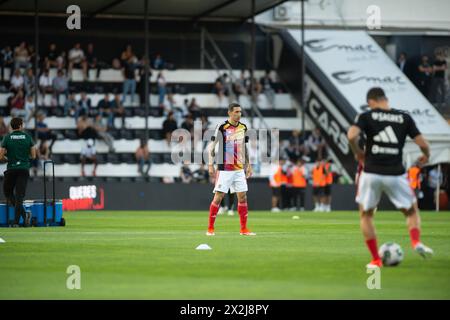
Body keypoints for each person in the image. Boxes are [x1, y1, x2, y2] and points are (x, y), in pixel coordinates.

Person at [347, 87, 433, 268]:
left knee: (366, 215)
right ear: (385, 99)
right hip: (395, 173)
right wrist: (426, 156)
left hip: (371, 172)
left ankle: (376, 260)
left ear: (371, 102)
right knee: (411, 210)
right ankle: (416, 242)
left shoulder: (366, 116)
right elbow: (423, 144)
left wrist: (358, 153)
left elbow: (352, 135)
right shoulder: (404, 118)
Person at [206, 102, 254, 236]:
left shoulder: (243, 127)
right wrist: (210, 164)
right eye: (236, 112)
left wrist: (249, 164)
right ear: (229, 112)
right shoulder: (222, 127)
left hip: (239, 169)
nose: (239, 114)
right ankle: (210, 228)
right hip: (224, 168)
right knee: (218, 197)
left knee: (242, 197)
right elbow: (212, 146)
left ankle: (243, 229)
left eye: (240, 112)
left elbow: (245, 147)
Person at [0, 117, 36, 226]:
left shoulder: (7, 138)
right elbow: (33, 156)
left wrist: (9, 159)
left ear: (11, 126)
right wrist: (24, 158)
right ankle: (21, 219)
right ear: (20, 125)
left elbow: (1, 156)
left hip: (11, 169)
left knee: (8, 192)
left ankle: (22, 218)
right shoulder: (28, 137)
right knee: (19, 195)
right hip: (24, 169)